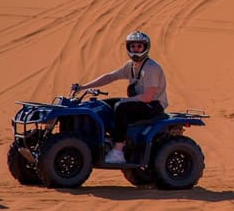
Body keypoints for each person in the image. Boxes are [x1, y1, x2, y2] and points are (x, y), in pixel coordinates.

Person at [72, 30, 168, 164]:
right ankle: (108, 137)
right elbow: (110, 77)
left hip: (153, 105)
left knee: (121, 107)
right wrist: (83, 87)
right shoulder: (131, 65)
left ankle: (118, 151)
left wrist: (126, 100)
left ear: (145, 47)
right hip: (142, 102)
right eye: (133, 46)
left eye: (139, 46)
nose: (136, 49)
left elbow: (148, 97)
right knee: (104, 105)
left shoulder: (151, 68)